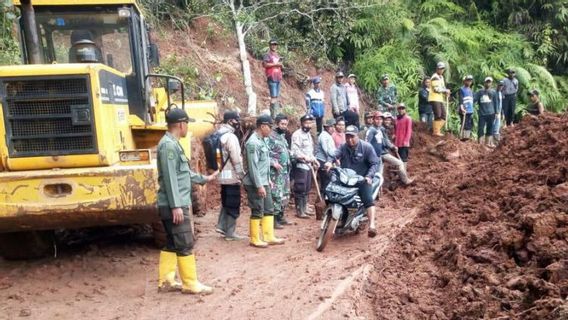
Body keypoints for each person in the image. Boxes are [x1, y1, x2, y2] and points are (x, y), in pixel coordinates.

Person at [157, 108, 218, 295]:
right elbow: (170, 178)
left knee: (172, 242)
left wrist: (203, 179)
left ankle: (166, 280)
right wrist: (176, 206)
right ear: (181, 125)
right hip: (174, 203)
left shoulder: (172, 144)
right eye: (187, 124)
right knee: (184, 242)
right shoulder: (168, 146)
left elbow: (182, 173)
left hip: (172, 203)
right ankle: (190, 284)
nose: (187, 127)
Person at [324, 125, 379, 237]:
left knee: (368, 200)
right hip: (345, 178)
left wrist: (368, 176)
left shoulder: (367, 147)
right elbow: (334, 154)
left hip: (361, 180)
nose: (349, 139)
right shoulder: (343, 147)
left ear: (357, 135)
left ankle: (372, 225)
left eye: (352, 136)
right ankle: (332, 215)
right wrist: (329, 162)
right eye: (347, 136)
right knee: (331, 190)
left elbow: (374, 163)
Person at [243, 114, 285, 248]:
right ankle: (255, 238)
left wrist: (267, 180)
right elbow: (253, 167)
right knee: (257, 209)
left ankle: (268, 235)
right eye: (270, 127)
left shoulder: (262, 140)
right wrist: (259, 185)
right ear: (262, 126)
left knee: (268, 208)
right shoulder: (253, 143)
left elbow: (264, 163)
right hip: (255, 183)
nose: (271, 130)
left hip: (264, 181)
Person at [216, 111, 246, 241]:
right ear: (230, 121)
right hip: (232, 175)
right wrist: (241, 174)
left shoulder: (218, 134)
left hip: (221, 174)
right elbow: (236, 158)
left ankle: (221, 226)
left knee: (226, 201)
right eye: (236, 120)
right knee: (233, 203)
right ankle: (230, 233)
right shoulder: (230, 137)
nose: (238, 123)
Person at [291, 114, 319, 219]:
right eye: (306, 123)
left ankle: (305, 208)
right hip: (300, 165)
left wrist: (314, 160)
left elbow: (309, 151)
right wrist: (304, 157)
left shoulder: (308, 135)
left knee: (307, 188)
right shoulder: (297, 135)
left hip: (308, 166)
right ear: (301, 123)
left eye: (310, 123)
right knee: (300, 188)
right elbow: (295, 151)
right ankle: (300, 211)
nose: (308, 125)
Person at [373, 113, 413, 186]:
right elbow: (385, 141)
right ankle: (405, 180)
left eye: (389, 120)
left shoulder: (384, 129)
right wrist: (392, 146)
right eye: (385, 120)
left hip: (382, 152)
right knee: (399, 163)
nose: (387, 122)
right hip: (382, 153)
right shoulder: (380, 129)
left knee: (380, 173)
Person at [268, 114, 292, 229]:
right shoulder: (270, 137)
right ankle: (274, 219)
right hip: (275, 172)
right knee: (276, 195)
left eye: (286, 124)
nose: (284, 126)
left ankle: (281, 216)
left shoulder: (282, 136)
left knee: (285, 194)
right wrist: (273, 163)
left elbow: (285, 151)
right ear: (276, 123)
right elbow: (265, 154)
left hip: (285, 171)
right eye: (282, 124)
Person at [315, 119, 337, 196]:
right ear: (327, 127)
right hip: (322, 161)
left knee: (327, 181)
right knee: (325, 181)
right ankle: (322, 199)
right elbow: (326, 150)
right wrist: (334, 158)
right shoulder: (323, 136)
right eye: (332, 127)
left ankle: (324, 198)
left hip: (327, 160)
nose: (333, 129)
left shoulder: (328, 136)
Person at [474, 77, 498, 147]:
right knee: (481, 128)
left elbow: (496, 103)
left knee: (490, 128)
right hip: (482, 113)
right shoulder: (480, 92)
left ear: (491, 83)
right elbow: (474, 100)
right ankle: (480, 144)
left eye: (489, 82)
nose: (488, 83)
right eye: (487, 82)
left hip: (491, 113)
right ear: (484, 83)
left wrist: (497, 112)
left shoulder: (493, 92)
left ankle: (488, 143)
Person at [262, 39, 283, 117]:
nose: (274, 46)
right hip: (272, 76)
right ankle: (273, 116)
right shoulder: (267, 55)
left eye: (275, 44)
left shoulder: (277, 55)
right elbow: (265, 65)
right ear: (270, 45)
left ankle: (276, 114)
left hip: (278, 77)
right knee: (273, 97)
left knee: (276, 97)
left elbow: (280, 65)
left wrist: (280, 64)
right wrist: (276, 64)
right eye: (272, 44)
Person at [429, 62, 451, 136]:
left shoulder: (441, 77)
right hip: (434, 98)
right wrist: (445, 90)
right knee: (438, 114)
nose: (441, 70)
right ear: (437, 69)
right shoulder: (435, 77)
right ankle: (436, 131)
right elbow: (436, 89)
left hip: (440, 99)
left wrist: (446, 91)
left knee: (444, 115)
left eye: (442, 69)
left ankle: (436, 129)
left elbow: (442, 87)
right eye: (440, 69)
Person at [394, 104, 412, 168]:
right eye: (400, 108)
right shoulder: (396, 119)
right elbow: (395, 130)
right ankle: (398, 173)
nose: (401, 110)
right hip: (397, 143)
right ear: (398, 109)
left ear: (405, 109)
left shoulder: (408, 119)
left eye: (402, 108)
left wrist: (406, 141)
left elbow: (409, 131)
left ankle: (404, 173)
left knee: (404, 159)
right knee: (397, 158)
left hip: (404, 143)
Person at [458, 75, 475, 141]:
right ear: (464, 81)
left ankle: (467, 137)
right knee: (464, 123)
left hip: (470, 110)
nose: (469, 82)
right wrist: (462, 107)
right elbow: (460, 99)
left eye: (470, 81)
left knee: (469, 124)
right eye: (468, 80)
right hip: (464, 109)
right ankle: (462, 137)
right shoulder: (462, 89)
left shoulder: (470, 90)